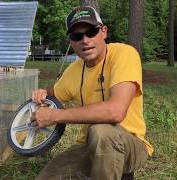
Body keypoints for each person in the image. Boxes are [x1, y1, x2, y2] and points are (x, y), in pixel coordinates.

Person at [32, 5, 154, 180]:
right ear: (71, 41)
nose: (85, 40)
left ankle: (120, 172)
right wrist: (42, 94)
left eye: (91, 32)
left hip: (130, 144)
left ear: (103, 31)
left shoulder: (124, 54)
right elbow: (52, 94)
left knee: (101, 132)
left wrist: (56, 115)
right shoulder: (74, 70)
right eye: (77, 35)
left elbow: (115, 112)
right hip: (88, 146)